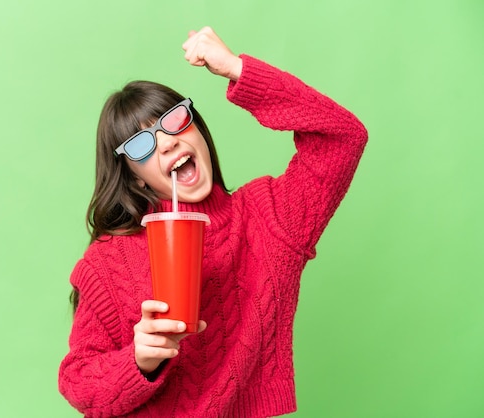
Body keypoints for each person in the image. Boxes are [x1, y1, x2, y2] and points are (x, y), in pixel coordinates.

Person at [58, 26, 368, 417]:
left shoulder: (271, 217)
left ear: (197, 128)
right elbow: (79, 382)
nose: (166, 142)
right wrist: (138, 360)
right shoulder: (108, 263)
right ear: (135, 176)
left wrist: (239, 72)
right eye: (142, 145)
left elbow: (343, 138)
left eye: (173, 121)